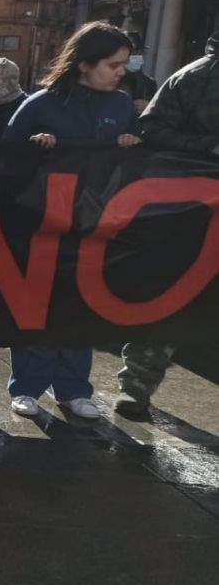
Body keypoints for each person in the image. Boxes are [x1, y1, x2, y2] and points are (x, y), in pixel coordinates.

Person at [3, 22, 141, 421]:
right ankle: (27, 386)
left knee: (80, 304)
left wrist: (135, 143)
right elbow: (4, 157)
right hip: (42, 222)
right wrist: (35, 147)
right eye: (113, 65)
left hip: (95, 221)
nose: (121, 72)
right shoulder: (41, 104)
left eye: (123, 65)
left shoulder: (121, 106)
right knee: (38, 302)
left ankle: (74, 389)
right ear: (84, 65)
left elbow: (141, 159)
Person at [116, 28, 219, 419]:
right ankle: (137, 387)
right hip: (192, 213)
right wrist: (207, 148)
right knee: (170, 298)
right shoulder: (194, 78)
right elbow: (151, 129)